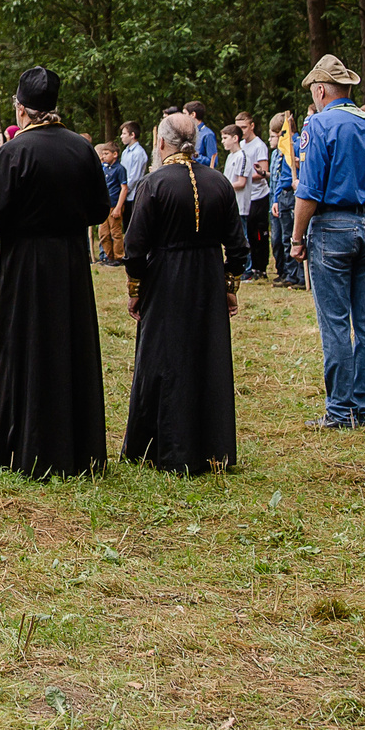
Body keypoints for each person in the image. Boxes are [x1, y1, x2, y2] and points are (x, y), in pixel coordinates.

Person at [0, 67, 114, 478]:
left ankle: (15, 444)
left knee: (20, 345)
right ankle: (73, 447)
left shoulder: (14, 152)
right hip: (68, 262)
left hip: (22, 265)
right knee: (65, 344)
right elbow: (99, 210)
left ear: (21, 108)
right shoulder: (81, 149)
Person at [120, 114, 244, 474]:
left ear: (161, 143)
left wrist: (135, 288)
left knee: (163, 359)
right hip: (207, 279)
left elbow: (135, 245)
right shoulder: (218, 183)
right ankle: (211, 447)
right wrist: (229, 285)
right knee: (207, 357)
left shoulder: (153, 184)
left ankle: (163, 447)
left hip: (165, 279)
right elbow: (237, 246)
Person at [289, 55, 365, 429]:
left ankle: (339, 411)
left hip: (332, 228)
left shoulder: (318, 126)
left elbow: (309, 190)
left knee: (335, 322)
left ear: (320, 90)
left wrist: (296, 238)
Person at [225, 113, 271, 280]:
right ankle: (251, 267)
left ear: (251, 126)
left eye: (244, 127)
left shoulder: (259, 146)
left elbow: (262, 172)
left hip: (258, 195)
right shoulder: (239, 146)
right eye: (239, 127)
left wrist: (240, 177)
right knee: (247, 232)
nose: (242, 131)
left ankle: (259, 267)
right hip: (244, 196)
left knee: (257, 233)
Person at [267, 111, 303, 287]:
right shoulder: (284, 147)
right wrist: (275, 198)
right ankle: (290, 274)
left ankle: (300, 275)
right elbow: (280, 177)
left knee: (294, 236)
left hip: (294, 193)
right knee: (284, 237)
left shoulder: (296, 144)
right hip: (283, 194)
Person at [94, 142, 128, 265]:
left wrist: (119, 207)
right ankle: (108, 257)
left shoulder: (120, 169)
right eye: (102, 153)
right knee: (103, 233)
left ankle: (119, 257)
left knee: (116, 233)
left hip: (115, 205)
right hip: (105, 205)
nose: (103, 156)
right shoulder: (104, 168)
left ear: (115, 154)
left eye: (106, 153)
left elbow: (124, 188)